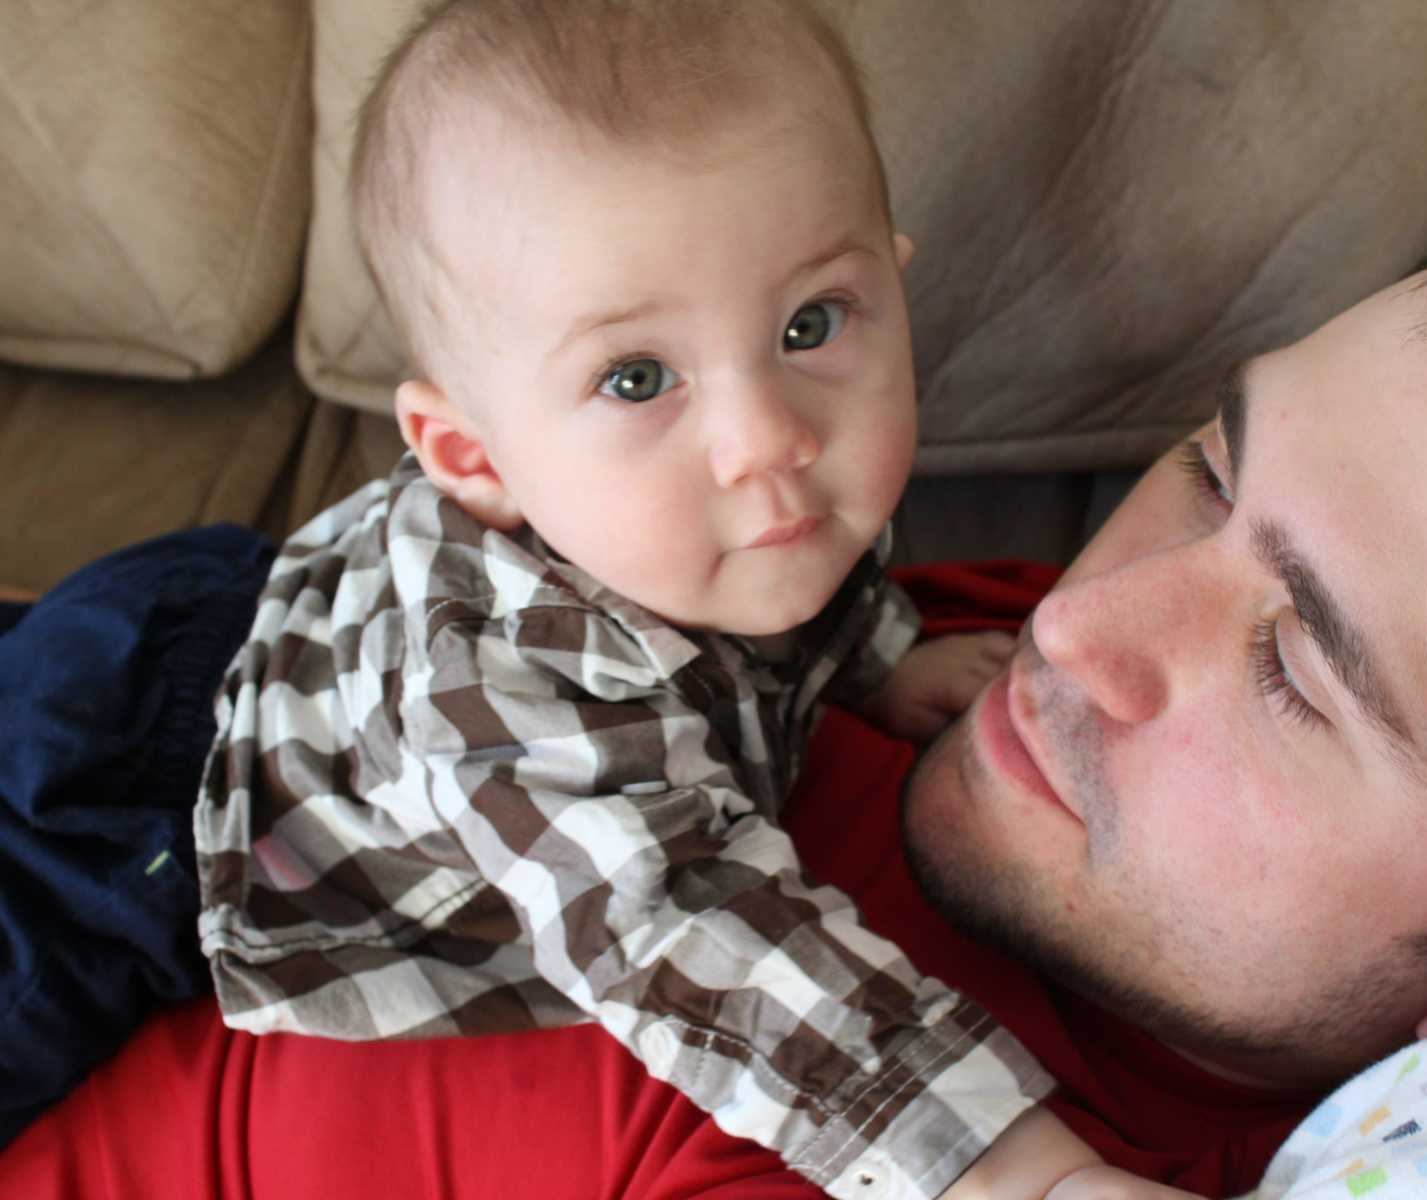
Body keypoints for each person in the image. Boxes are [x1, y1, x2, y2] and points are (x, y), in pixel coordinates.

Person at [188, 2, 1174, 1198]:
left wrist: (882, 655)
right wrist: (1012, 1170)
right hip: (208, 750)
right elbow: (685, 928)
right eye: (636, 376)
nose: (769, 437)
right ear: (476, 457)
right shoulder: (499, 695)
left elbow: (825, 581)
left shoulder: (742, 500)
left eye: (809, 323)